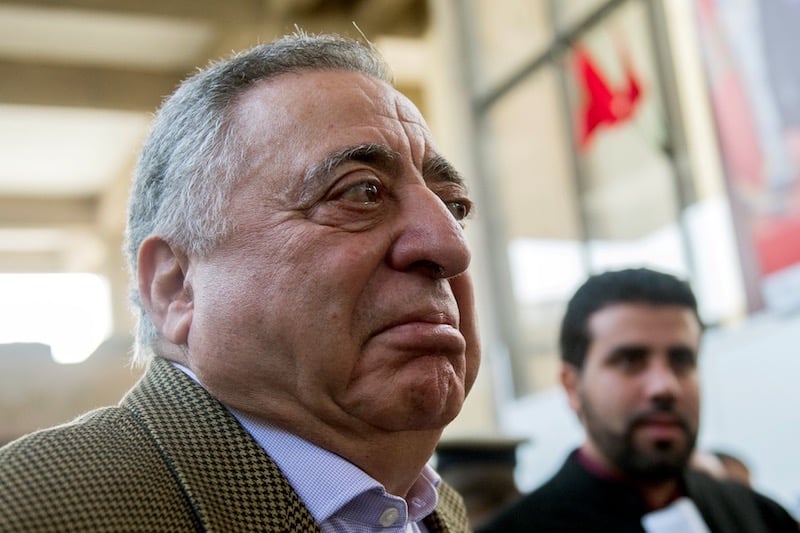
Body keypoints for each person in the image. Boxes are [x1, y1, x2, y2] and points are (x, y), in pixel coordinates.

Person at [0, 32, 479, 532]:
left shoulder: (436, 511)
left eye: (454, 207)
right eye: (361, 192)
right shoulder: (33, 513)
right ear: (176, 287)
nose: (451, 248)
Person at [478, 268, 798, 533]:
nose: (664, 387)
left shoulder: (760, 517)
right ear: (572, 386)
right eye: (630, 361)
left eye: (681, 360)